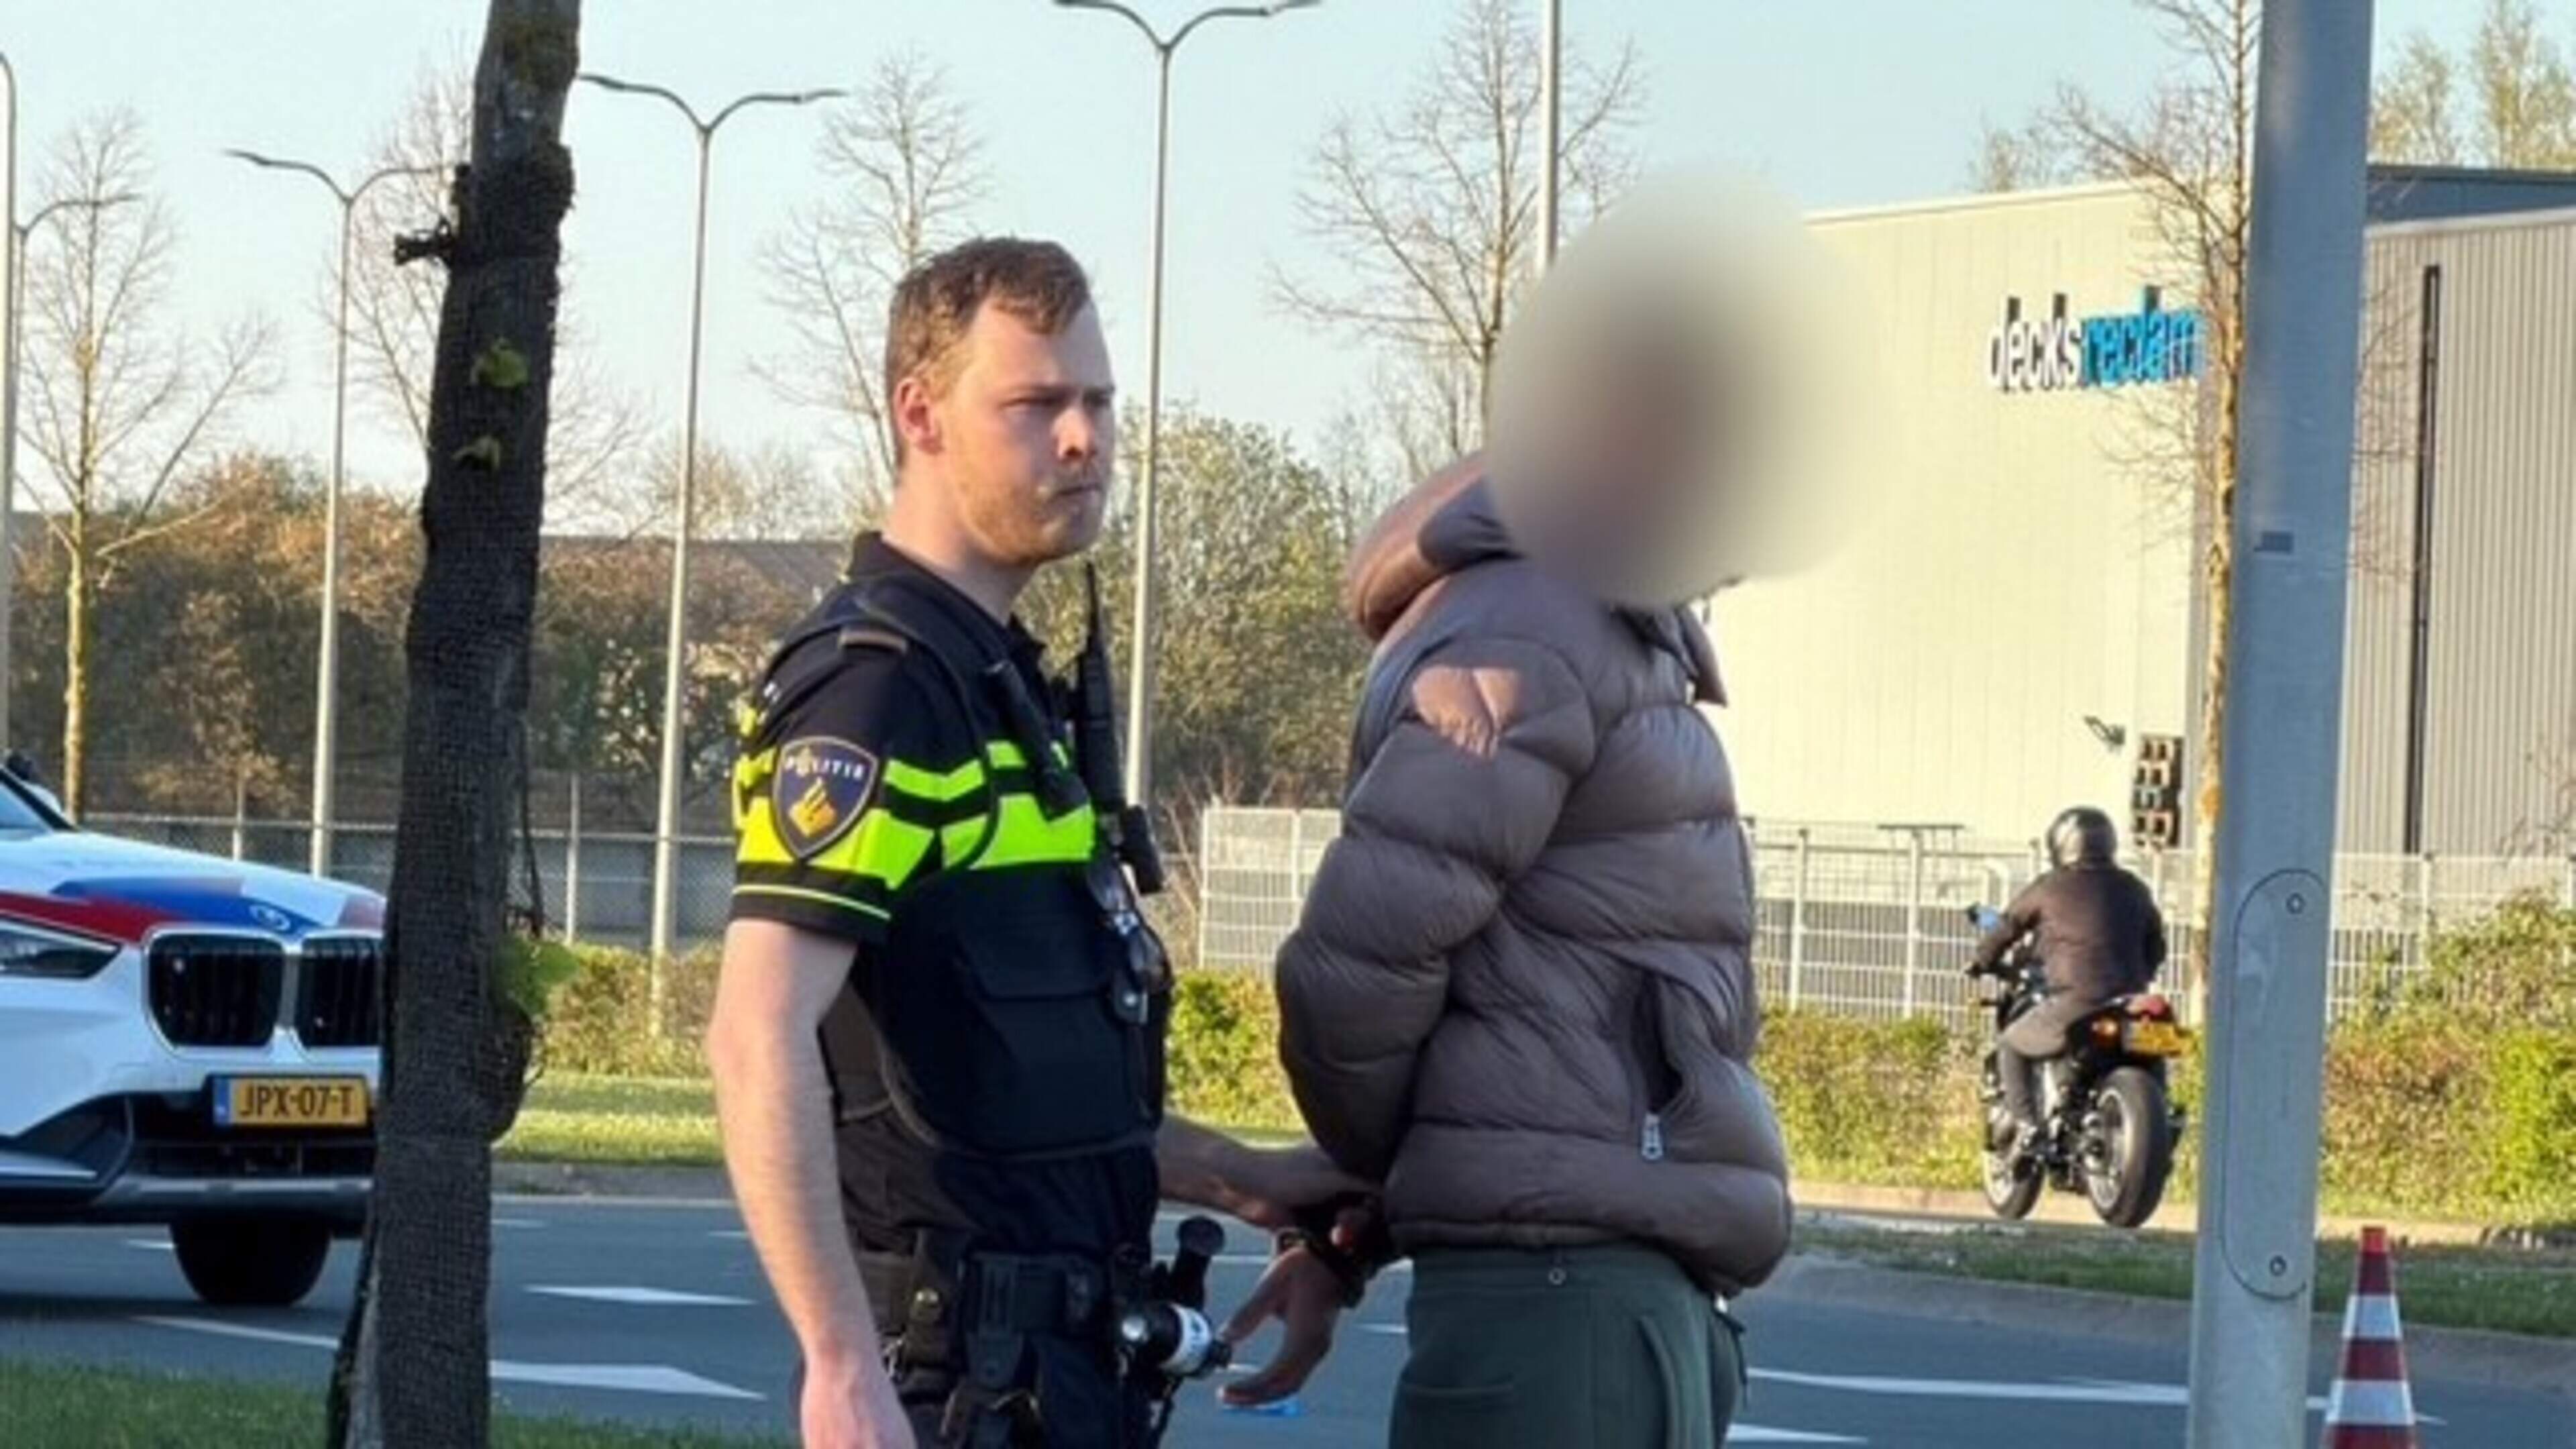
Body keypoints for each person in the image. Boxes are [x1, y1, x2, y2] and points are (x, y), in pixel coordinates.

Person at [706, 237, 1362, 1449]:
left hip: (1063, 1388)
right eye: (1035, 403)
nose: (1083, 439)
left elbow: (1001, 1097)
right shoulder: (878, 696)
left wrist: (1243, 1180)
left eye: (1099, 401)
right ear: (922, 414)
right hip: (947, 1391)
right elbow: (757, 1037)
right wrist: (841, 1370)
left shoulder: (1001, 691)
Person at [1271, 453, 1794, 1449]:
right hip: (1565, 1300)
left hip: (1591, 1288)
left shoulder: (1595, 628)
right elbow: (1355, 971)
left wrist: (1384, 1203)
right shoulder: (1537, 625)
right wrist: (1415, 1162)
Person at [1969, 806, 2169, 1155]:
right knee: (2156, 1049)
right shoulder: (2135, 887)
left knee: (2011, 1044)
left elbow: (2008, 926)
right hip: (2134, 1003)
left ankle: (2027, 1125)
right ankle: (2164, 1119)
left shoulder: (2050, 887)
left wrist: (1981, 960)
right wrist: (2142, 977)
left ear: (2061, 845)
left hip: (2076, 1000)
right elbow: (2157, 945)